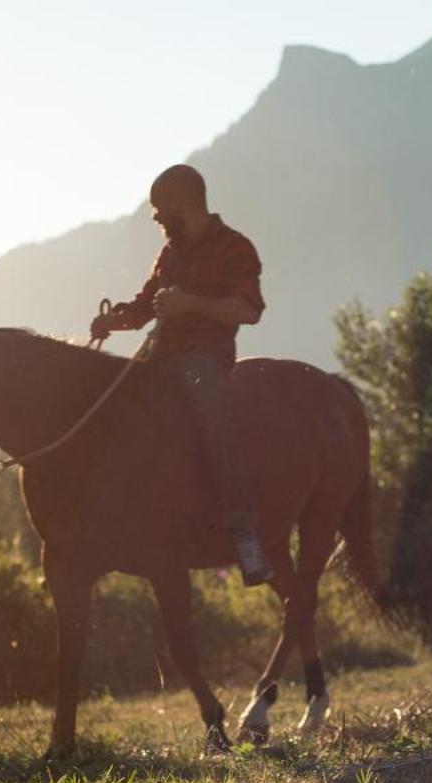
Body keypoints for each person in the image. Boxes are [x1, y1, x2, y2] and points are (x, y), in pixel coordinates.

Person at [89, 164, 272, 585]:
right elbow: (143, 308)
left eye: (159, 209)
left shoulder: (234, 247)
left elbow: (249, 310)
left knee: (213, 421)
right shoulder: (170, 254)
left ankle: (244, 533)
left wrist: (191, 304)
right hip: (157, 358)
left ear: (184, 203)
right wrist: (112, 322)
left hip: (204, 358)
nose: (155, 218)